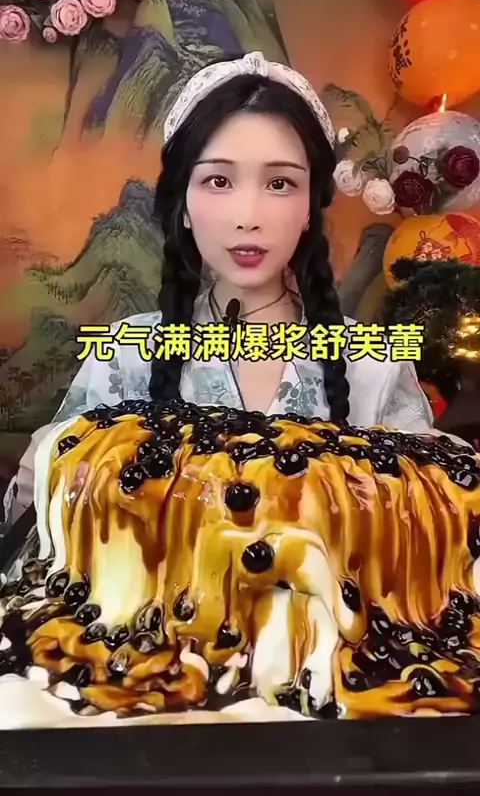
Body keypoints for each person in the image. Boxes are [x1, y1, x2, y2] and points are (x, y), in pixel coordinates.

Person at [4, 50, 436, 561]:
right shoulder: (125, 356)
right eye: (218, 181)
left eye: (280, 183)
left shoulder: (373, 363)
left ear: (309, 208)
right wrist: (41, 478)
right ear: (183, 204)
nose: (247, 215)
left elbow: (426, 546)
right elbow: (52, 551)